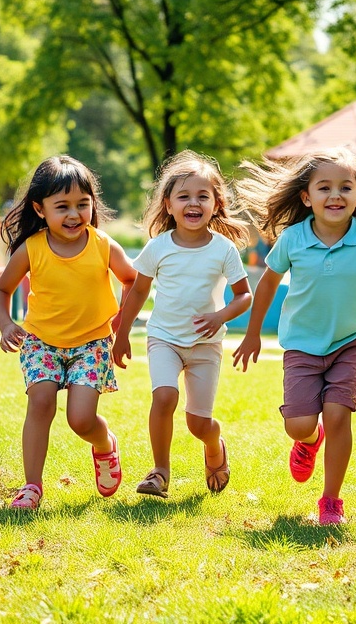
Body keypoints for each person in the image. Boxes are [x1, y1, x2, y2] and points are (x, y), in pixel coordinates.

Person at [232, 148, 356, 525]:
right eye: (324, 187)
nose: (335, 195)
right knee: (299, 424)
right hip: (303, 345)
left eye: (345, 187)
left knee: (339, 415)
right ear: (307, 197)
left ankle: (330, 501)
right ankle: (309, 440)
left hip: (353, 340)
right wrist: (253, 334)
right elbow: (269, 284)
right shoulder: (292, 239)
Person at [0, 156, 138, 510]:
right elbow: (1, 291)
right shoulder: (32, 248)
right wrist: (7, 324)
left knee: (81, 420)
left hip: (92, 344)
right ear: (40, 209)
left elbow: (132, 280)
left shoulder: (103, 245)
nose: (74, 215)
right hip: (41, 341)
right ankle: (32, 486)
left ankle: (104, 445)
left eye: (82, 205)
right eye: (62, 207)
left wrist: (122, 322)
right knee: (40, 403)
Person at [112, 151, 252, 499]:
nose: (194, 203)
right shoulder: (158, 247)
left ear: (216, 203)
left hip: (206, 346)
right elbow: (139, 290)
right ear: (169, 204)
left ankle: (214, 444)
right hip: (164, 339)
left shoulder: (224, 250)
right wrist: (123, 333)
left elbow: (244, 296)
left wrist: (220, 316)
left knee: (197, 423)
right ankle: (160, 472)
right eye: (184, 196)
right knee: (164, 396)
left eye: (203, 196)